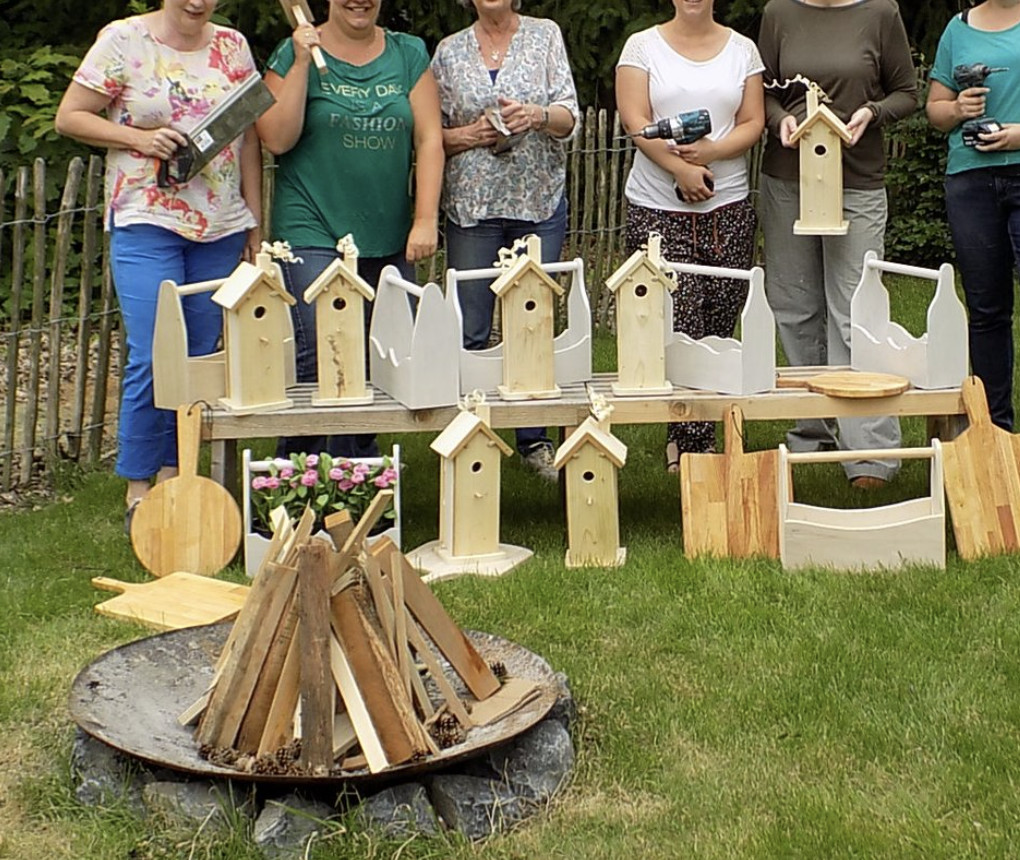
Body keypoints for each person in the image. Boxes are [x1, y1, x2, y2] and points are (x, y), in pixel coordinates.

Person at [54, 0, 261, 526]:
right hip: (146, 218)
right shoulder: (124, 39)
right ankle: (140, 485)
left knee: (197, 356)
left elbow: (248, 137)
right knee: (152, 353)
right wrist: (139, 139)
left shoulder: (233, 46)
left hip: (219, 224)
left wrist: (254, 221)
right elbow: (70, 116)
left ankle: (180, 474)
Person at [257, 0, 444, 459]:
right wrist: (303, 60)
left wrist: (425, 219)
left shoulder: (408, 54)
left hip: (386, 233)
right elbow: (275, 138)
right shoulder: (292, 51)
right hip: (311, 227)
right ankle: (298, 478)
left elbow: (429, 138)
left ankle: (357, 477)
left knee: (378, 358)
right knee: (324, 350)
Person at [758, 0, 917, 488]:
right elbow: (759, 90)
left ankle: (869, 450)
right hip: (787, 181)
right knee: (794, 306)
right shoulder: (779, 13)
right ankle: (811, 428)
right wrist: (778, 118)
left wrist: (872, 111)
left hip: (859, 183)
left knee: (856, 310)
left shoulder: (881, 13)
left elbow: (907, 93)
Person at [432, 0, 579, 481]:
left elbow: (569, 118)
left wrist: (537, 115)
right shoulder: (449, 52)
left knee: (531, 327)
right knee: (471, 328)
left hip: (537, 205)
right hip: (473, 208)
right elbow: (431, 138)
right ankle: (471, 435)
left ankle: (534, 440)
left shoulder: (545, 37)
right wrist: (473, 134)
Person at [616, 0, 764, 472]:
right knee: (677, 320)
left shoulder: (743, 50)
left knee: (720, 320)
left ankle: (702, 427)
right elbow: (635, 120)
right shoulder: (642, 47)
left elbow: (753, 122)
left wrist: (711, 152)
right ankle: (693, 447)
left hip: (728, 204)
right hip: (657, 204)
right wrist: (680, 167)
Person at [926, 0, 1020, 431]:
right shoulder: (957, 29)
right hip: (971, 181)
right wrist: (958, 109)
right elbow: (935, 110)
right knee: (986, 309)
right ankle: (994, 430)